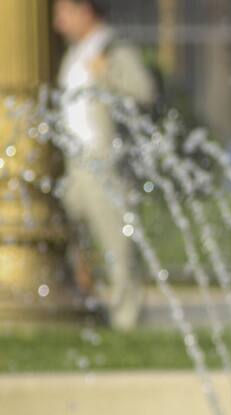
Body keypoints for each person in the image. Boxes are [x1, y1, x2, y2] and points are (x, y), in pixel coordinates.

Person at [53, 0, 156, 330]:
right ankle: (84, 307)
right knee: (62, 235)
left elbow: (144, 91)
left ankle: (128, 318)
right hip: (74, 163)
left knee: (117, 243)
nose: (58, 22)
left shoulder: (113, 48)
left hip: (103, 161)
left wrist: (107, 72)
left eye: (64, 12)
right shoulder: (73, 53)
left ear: (86, 10)